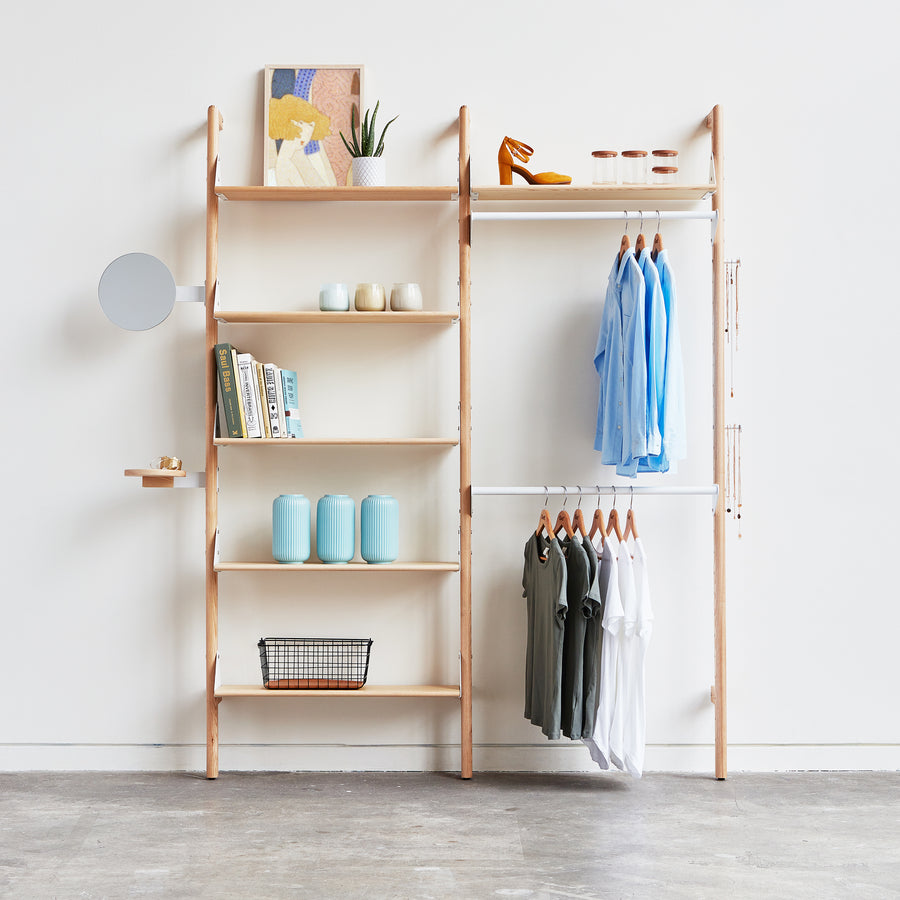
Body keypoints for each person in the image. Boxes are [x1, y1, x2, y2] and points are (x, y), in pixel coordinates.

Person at [267, 95, 337, 187]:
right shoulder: (286, 164)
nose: (305, 139)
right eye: (300, 123)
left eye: (311, 126)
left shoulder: (293, 157)